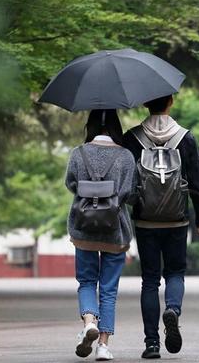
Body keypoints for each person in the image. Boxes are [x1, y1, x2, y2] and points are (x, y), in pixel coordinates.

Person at [122, 96, 199, 359]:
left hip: (146, 220)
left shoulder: (133, 138)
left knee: (149, 280)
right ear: (170, 102)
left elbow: (127, 182)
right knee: (175, 273)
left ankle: (151, 344)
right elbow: (197, 182)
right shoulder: (185, 138)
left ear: (145, 104)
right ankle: (173, 309)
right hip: (177, 219)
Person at [65, 109, 137, 361]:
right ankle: (104, 346)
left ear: (90, 126)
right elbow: (129, 192)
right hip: (115, 231)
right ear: (116, 127)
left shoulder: (78, 153)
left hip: (83, 228)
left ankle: (88, 322)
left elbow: (71, 184)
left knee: (86, 281)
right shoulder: (126, 156)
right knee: (108, 289)